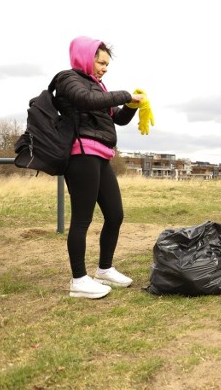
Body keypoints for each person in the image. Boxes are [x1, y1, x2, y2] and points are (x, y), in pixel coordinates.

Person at [54, 36, 153, 299]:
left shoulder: (98, 86)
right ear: (85, 58)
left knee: (115, 214)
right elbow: (85, 100)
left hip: (101, 155)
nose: (104, 68)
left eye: (107, 65)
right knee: (82, 219)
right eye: (100, 62)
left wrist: (132, 105)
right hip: (81, 156)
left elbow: (117, 118)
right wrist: (125, 95)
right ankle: (78, 280)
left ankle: (104, 269)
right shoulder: (68, 79)